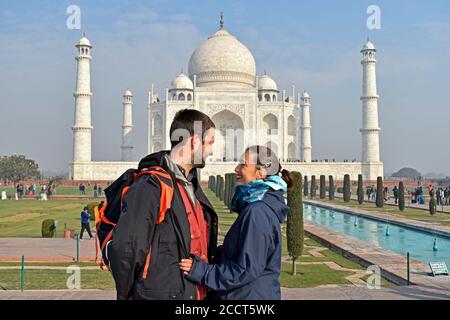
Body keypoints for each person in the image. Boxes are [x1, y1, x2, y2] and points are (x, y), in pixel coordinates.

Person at [108, 109, 218, 300]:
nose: (211, 151)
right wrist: (129, 294)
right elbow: (127, 247)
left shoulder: (189, 185)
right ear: (194, 141)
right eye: (209, 143)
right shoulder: (151, 186)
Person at [179, 145, 293, 300]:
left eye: (243, 165)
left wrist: (202, 272)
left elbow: (245, 268)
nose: (236, 169)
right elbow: (239, 253)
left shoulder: (257, 212)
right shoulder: (257, 207)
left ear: (261, 173)